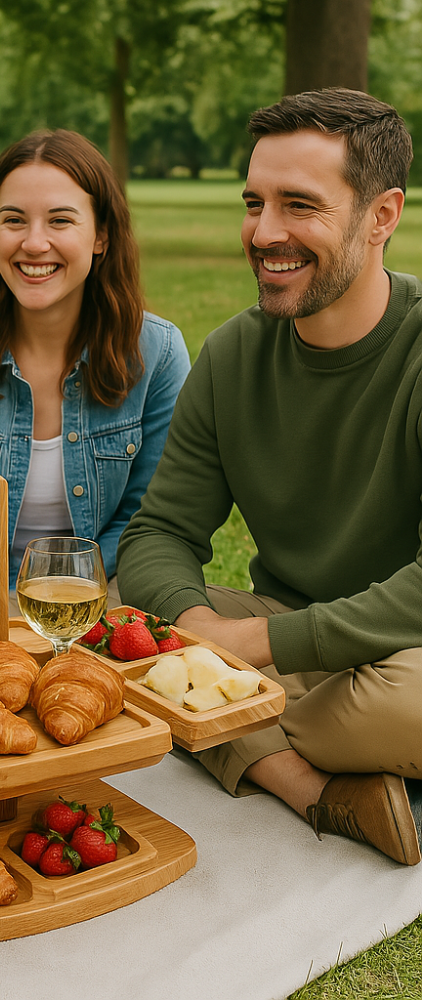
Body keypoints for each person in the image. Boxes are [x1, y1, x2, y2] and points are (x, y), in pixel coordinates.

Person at [117, 88, 422, 865]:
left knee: (407, 706)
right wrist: (196, 625)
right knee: (104, 618)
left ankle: (219, 717)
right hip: (294, 628)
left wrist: (245, 646)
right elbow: (160, 533)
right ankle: (310, 787)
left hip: (405, 653)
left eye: (299, 205)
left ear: (382, 216)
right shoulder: (234, 354)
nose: (264, 232)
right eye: (254, 203)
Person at [0, 129, 189, 594]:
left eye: (60, 220)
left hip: (103, 589)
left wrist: (61, 596)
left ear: (101, 236)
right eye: (14, 220)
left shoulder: (158, 354)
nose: (34, 244)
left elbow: (149, 516)